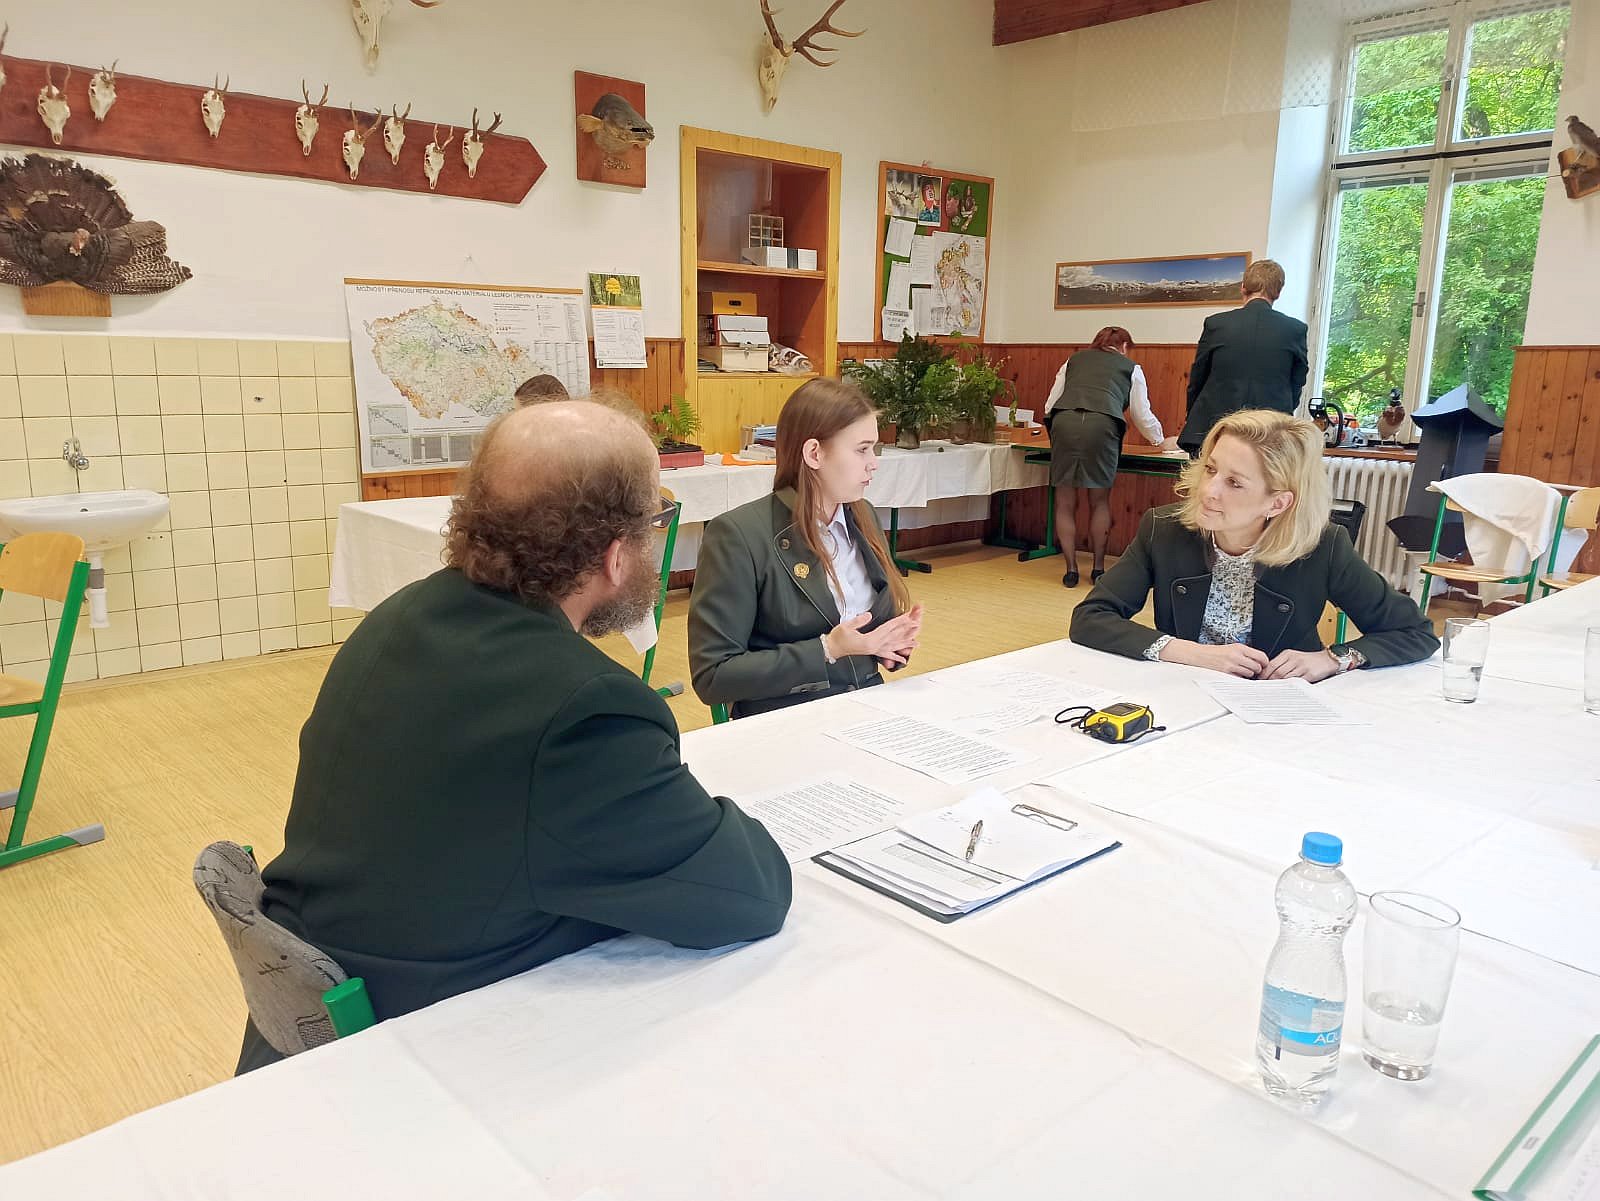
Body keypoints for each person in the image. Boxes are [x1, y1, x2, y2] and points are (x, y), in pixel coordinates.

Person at [238, 402, 791, 1073]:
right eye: (651, 524)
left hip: (318, 1002)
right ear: (616, 555)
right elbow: (750, 894)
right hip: (418, 1051)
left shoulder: (397, 617)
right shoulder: (586, 709)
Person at [1071, 409, 1438, 679]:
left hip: (1278, 713)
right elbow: (1091, 617)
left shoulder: (1323, 546)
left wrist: (1332, 659)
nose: (1208, 490)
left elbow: (1415, 633)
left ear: (1277, 503)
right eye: (1211, 469)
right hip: (1184, 696)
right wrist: (1190, 653)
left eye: (1234, 483)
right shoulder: (1163, 529)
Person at [689, 378, 924, 718]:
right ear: (814, 453)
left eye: (874, 449)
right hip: (785, 722)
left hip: (866, 709)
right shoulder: (738, 535)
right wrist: (827, 649)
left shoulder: (864, 516)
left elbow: (866, 638)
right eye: (862, 449)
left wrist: (891, 644)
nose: (874, 462)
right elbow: (713, 677)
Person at [1043, 326, 1180, 588]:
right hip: (1102, 425)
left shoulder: (1073, 360)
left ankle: (1071, 571)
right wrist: (1159, 440)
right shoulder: (1131, 368)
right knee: (1099, 500)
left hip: (1064, 423)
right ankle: (1098, 569)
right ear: (1124, 346)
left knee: (1064, 501)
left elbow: (1050, 405)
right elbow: (1141, 413)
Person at [1178, 259, 1308, 454]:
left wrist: (1193, 415)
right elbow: (1297, 383)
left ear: (1243, 287)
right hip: (1269, 432)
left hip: (1213, 428)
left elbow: (1198, 378)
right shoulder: (1295, 330)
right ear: (1278, 293)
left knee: (1207, 474)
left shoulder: (1216, 324)